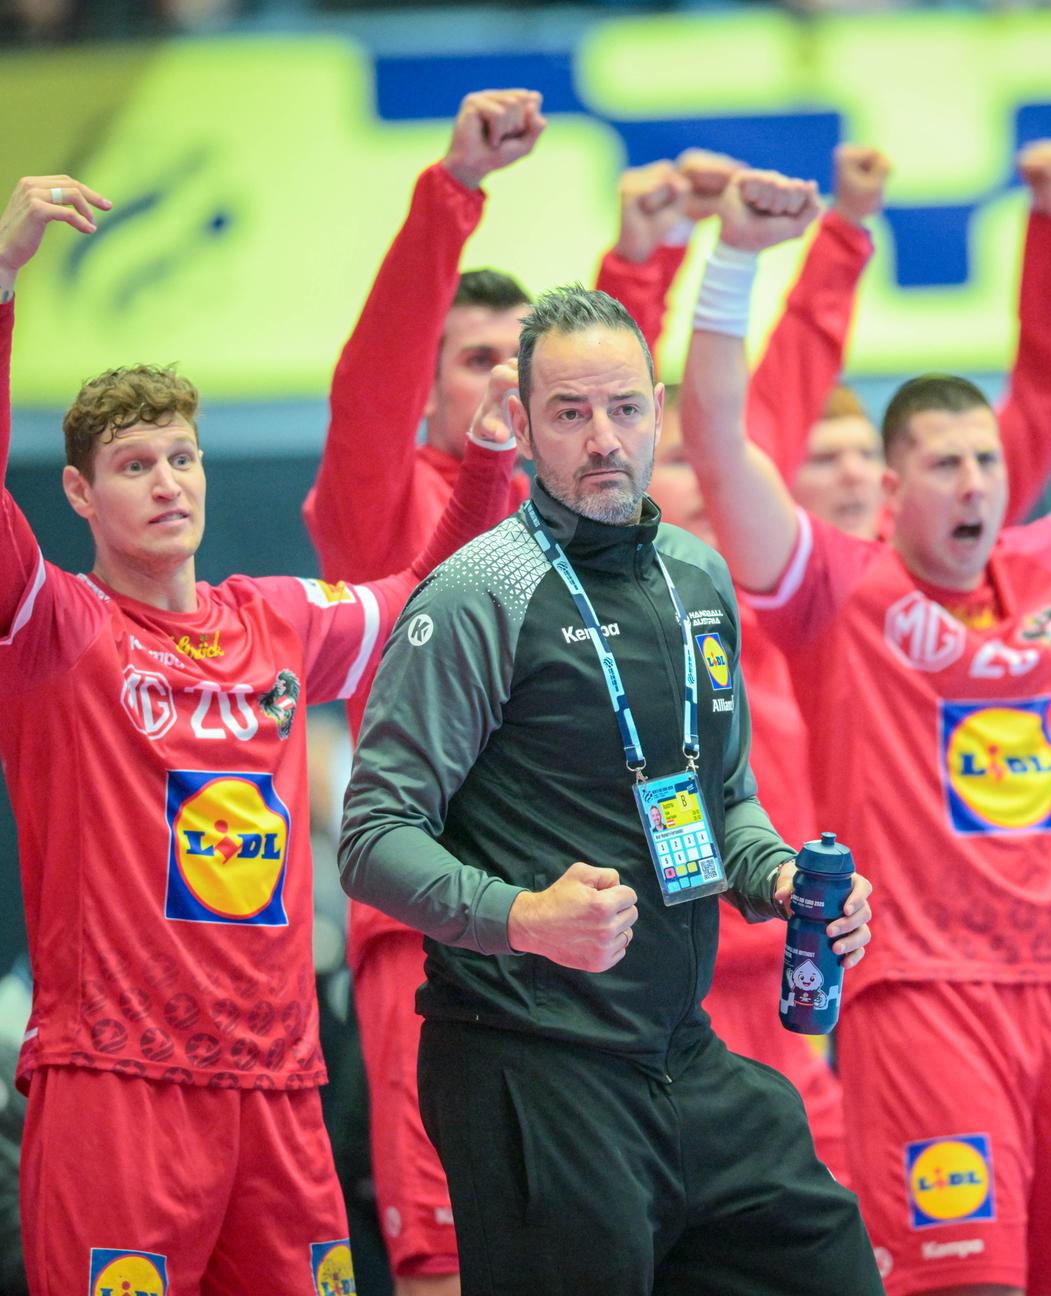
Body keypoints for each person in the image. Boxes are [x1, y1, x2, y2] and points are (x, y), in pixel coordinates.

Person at [0, 173, 514, 1294]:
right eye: (133, 466)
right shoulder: (57, 627)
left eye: (181, 457)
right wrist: (2, 283)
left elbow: (430, 598)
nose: (167, 482)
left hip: (278, 1086)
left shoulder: (274, 618)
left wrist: (486, 464)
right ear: (79, 496)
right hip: (118, 1081)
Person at [338, 283, 881, 1296]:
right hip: (531, 1059)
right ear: (527, 429)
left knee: (828, 1260)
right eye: (570, 413)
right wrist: (523, 915)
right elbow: (372, 836)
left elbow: (724, 796)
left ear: (660, 411)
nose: (603, 439)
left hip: (681, 1052)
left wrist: (779, 881)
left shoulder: (698, 577)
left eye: (625, 409)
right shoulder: (474, 594)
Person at [679, 166, 1051, 1296]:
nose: (977, 482)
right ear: (893, 489)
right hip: (920, 994)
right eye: (946, 463)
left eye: (988, 460)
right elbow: (714, 437)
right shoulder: (835, 587)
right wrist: (736, 260)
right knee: (964, 1281)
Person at [303, 88, 542, 1295]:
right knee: (448, 1259)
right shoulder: (379, 514)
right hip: (433, 941)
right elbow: (368, 385)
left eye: (519, 357)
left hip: (577, 936)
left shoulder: (582, 528)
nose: (499, 378)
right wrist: (451, 195)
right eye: (475, 358)